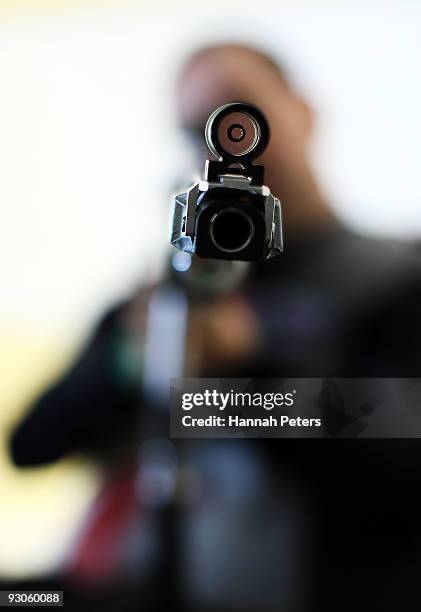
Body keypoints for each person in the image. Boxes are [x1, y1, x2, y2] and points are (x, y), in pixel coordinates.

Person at [10, 43, 421, 611]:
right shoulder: (164, 297)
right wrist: (135, 359)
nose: (220, 144)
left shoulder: (395, 279)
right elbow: (32, 444)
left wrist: (240, 373)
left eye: (240, 110)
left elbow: (400, 447)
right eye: (194, 126)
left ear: (303, 110)